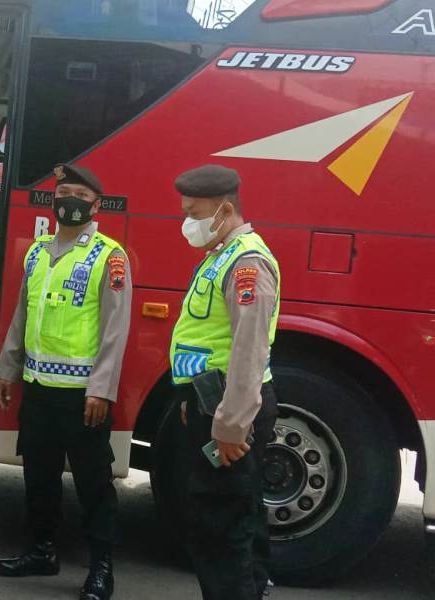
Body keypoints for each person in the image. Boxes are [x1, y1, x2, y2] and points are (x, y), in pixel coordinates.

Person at [0, 164, 132, 600]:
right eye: (62, 192)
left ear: (95, 205)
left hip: (82, 396)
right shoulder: (36, 252)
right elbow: (23, 315)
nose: (67, 199)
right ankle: (41, 551)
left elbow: (116, 328)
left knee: (94, 484)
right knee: (39, 476)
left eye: (78, 193)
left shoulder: (109, 257)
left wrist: (101, 389)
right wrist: (7, 368)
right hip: (38, 388)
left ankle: (101, 569)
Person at [169, 164, 280, 600]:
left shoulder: (246, 264)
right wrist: (189, 396)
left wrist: (231, 426)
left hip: (229, 412)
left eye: (194, 212)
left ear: (225, 209)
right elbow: (205, 338)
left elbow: (248, 351)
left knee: (220, 527)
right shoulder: (220, 255)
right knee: (238, 520)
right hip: (208, 401)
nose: (187, 223)